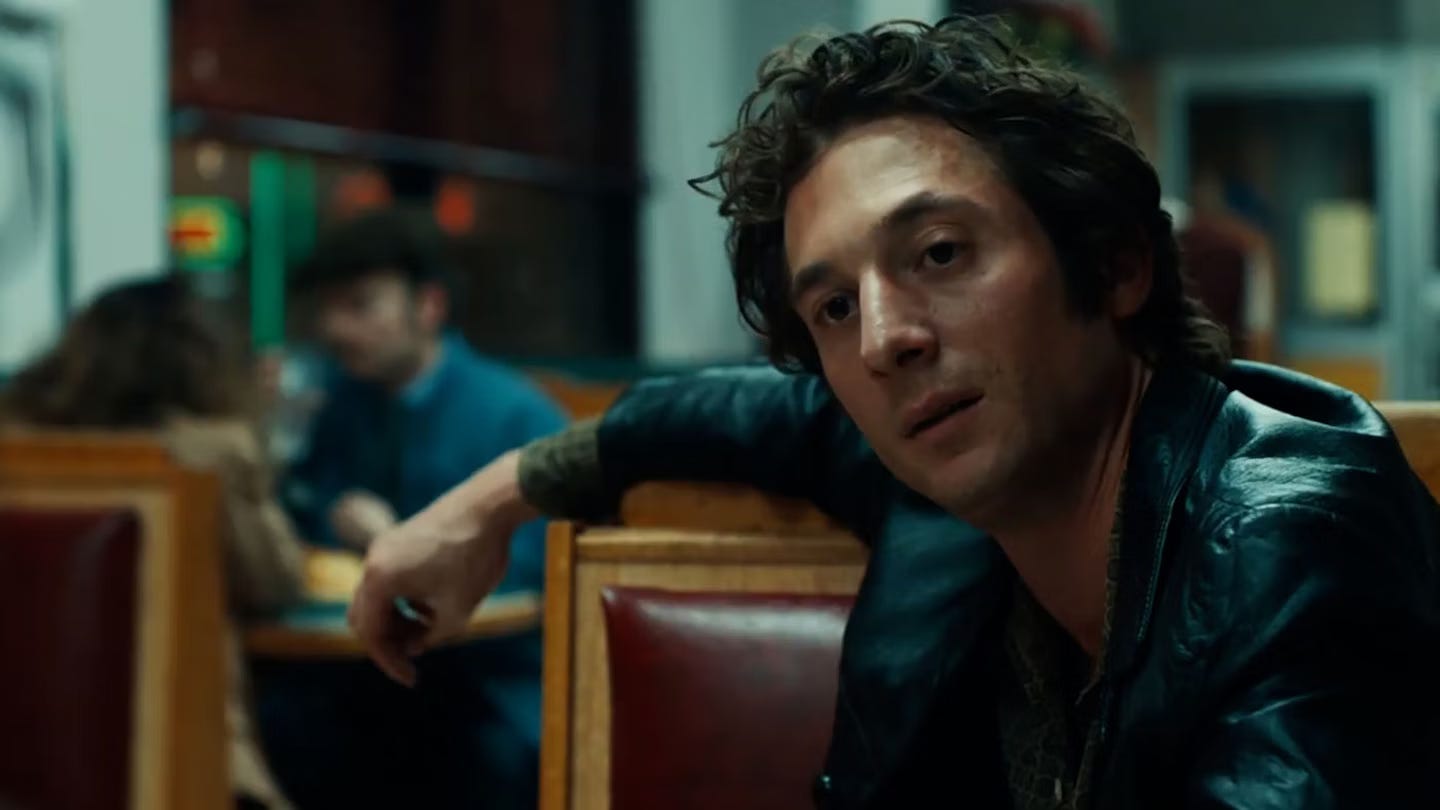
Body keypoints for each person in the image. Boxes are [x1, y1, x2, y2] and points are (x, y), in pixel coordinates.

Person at [349, 17, 1440, 810]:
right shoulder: (946, 473)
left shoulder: (1297, 544)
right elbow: (744, 416)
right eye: (833, 306)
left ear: (1113, 264)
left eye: (940, 253)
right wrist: (489, 503)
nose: (883, 339)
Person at [263, 208, 567, 808]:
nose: (335, 329)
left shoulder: (515, 414)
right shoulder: (341, 405)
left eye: (360, 305)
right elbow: (304, 513)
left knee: (473, 755)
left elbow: (541, 566)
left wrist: (402, 540)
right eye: (327, 309)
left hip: (488, 675)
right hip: (359, 667)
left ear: (428, 306)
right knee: (283, 727)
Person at [0, 275, 306, 810]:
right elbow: (275, 583)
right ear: (202, 361)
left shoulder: (14, 449)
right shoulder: (212, 452)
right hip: (183, 765)